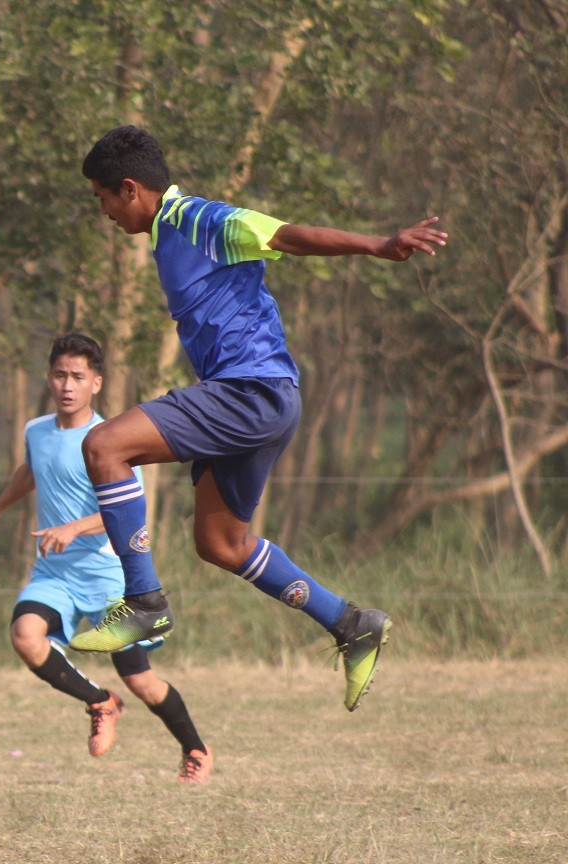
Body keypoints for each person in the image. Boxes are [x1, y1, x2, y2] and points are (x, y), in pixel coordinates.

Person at [67, 125, 448, 712]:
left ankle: (143, 603)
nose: (104, 213)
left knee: (103, 447)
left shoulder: (196, 218)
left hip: (252, 392)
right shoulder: (167, 233)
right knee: (221, 544)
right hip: (258, 398)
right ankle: (351, 623)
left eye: (102, 199)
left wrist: (377, 245)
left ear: (130, 189)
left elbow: (284, 235)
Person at [0, 332, 212, 783]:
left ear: (96, 384)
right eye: (60, 375)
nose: (67, 385)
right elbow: (31, 471)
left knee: (143, 683)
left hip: (109, 578)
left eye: (78, 377)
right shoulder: (36, 431)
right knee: (25, 635)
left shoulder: (112, 441)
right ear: (49, 378)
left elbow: (131, 511)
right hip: (55, 574)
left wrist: (74, 527)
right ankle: (100, 701)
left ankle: (195, 748)